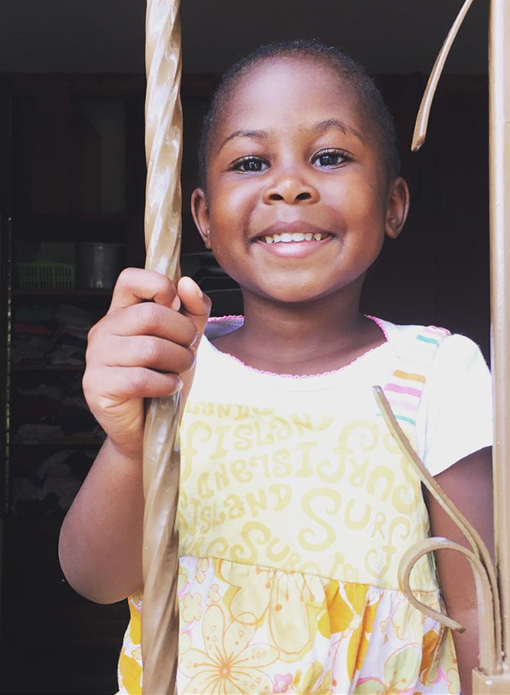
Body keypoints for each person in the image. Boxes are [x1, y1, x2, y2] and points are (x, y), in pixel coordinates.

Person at [59, 40, 493, 695]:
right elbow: (95, 577)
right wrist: (128, 444)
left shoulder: (438, 372)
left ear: (393, 205)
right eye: (252, 161)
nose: (289, 183)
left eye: (330, 156)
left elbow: (477, 606)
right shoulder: (174, 365)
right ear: (202, 217)